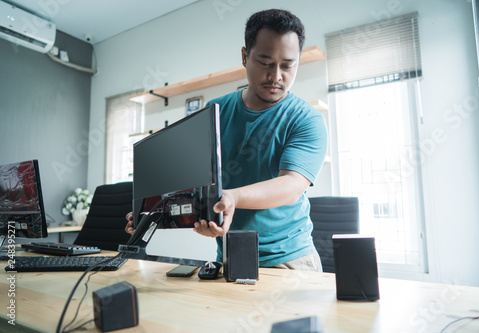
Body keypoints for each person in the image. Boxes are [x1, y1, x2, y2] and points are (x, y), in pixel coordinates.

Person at [125, 9, 327, 272]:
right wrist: (150, 212)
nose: (277, 76)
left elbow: (291, 186)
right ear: (245, 56)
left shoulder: (307, 119)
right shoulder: (215, 112)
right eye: (266, 62)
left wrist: (230, 197)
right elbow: (189, 180)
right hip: (228, 256)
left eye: (288, 65)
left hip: (288, 259)